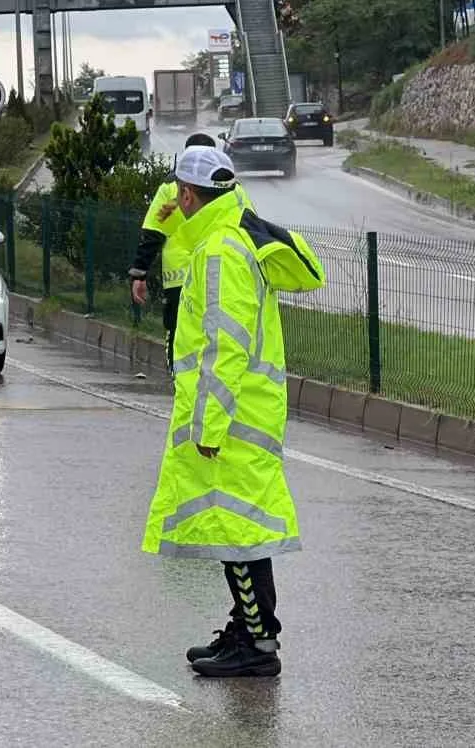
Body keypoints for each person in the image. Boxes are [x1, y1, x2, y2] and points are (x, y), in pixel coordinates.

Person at [140, 146, 326, 678]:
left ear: (190, 194)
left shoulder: (220, 250)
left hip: (235, 416)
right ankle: (249, 632)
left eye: (179, 192)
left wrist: (210, 424)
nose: (174, 201)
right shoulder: (230, 237)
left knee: (237, 532)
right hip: (245, 410)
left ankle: (257, 645)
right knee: (234, 528)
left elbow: (226, 344)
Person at [128, 133, 251, 372]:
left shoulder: (169, 188)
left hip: (180, 279)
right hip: (227, 275)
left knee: (180, 336)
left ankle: (182, 381)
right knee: (223, 335)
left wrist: (139, 274)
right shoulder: (236, 191)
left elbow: (152, 234)